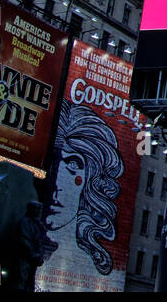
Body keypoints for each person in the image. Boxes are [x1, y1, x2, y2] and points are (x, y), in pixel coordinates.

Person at [41, 101, 124, 277]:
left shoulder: (91, 267)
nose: (57, 185)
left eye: (73, 164)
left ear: (91, 179)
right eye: (52, 163)